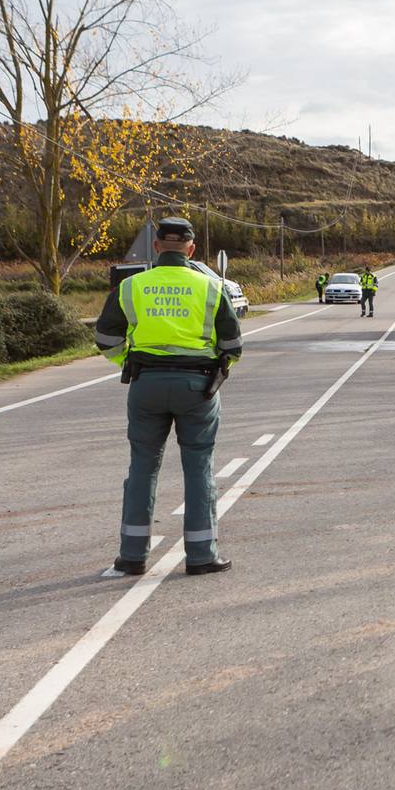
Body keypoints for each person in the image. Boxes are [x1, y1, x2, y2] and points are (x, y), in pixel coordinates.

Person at [93, 217, 243, 577]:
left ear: (157, 247)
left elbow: (105, 337)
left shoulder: (132, 287)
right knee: (199, 468)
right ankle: (201, 555)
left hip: (146, 384)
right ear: (191, 250)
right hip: (198, 386)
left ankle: (131, 557)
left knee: (142, 467)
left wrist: (127, 363)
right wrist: (218, 370)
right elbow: (233, 345)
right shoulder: (210, 286)